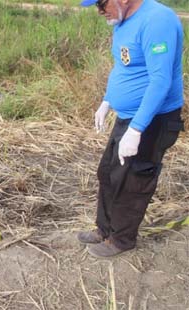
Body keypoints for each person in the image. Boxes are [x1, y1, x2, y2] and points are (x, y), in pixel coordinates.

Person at [78, 0, 185, 257]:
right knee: (108, 172)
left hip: (154, 119)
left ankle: (122, 240)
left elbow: (161, 81)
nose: (100, 11)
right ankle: (104, 229)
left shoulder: (157, 21)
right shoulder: (122, 21)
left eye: (102, 4)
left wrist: (137, 129)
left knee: (133, 180)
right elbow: (124, 67)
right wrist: (108, 101)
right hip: (128, 116)